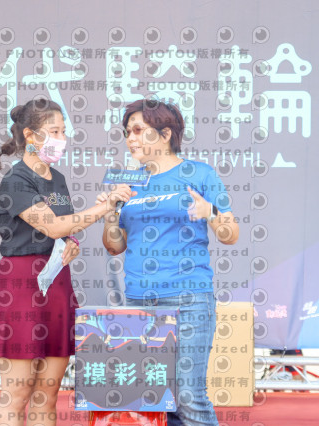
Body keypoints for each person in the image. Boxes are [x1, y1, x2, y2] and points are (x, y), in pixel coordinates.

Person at [0, 98, 133, 426]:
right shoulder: (16, 180)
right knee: (17, 394)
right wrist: (103, 207)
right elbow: (53, 225)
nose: (62, 138)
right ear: (30, 135)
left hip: (57, 284)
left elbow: (64, 228)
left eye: (63, 131)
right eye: (54, 131)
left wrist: (71, 244)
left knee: (47, 395)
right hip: (21, 287)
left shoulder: (57, 179)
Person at [98, 99, 239, 426]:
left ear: (165, 134)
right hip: (139, 300)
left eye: (138, 130)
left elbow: (231, 234)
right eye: (127, 132)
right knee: (156, 396)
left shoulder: (200, 173)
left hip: (188, 298)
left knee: (188, 395)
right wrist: (110, 214)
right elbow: (115, 246)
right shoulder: (129, 182)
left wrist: (210, 213)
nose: (130, 139)